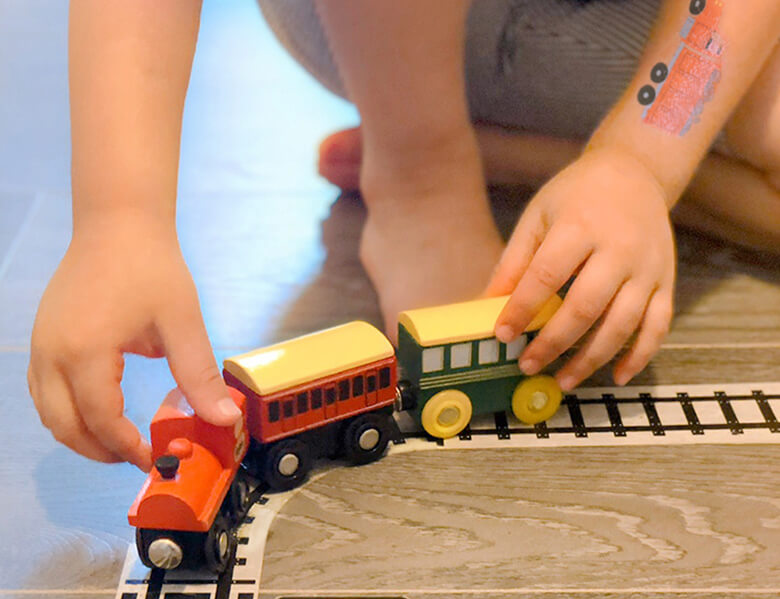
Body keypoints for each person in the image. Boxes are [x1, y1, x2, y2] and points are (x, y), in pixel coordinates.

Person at [29, 0, 780, 470]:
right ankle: (422, 167)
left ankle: (531, 156)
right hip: (382, 35)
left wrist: (640, 164)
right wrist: (118, 218)